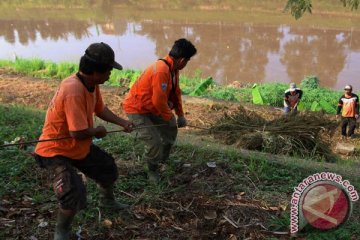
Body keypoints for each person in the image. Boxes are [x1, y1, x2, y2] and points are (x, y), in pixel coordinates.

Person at [34, 42, 134, 240]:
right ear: (96, 71)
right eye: (109, 70)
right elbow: (77, 132)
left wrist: (122, 122)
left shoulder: (91, 84)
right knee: (72, 192)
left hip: (77, 147)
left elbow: (100, 109)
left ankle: (107, 201)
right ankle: (61, 231)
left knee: (107, 167)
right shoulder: (73, 90)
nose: (110, 75)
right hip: (54, 150)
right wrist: (97, 131)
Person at [122, 38, 197, 182]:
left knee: (170, 131)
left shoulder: (173, 70)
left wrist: (180, 115)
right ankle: (152, 170)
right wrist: (169, 117)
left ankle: (162, 160)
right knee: (154, 141)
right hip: (137, 109)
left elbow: (175, 93)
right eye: (187, 61)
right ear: (182, 60)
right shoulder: (161, 70)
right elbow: (159, 101)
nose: (186, 64)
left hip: (153, 108)